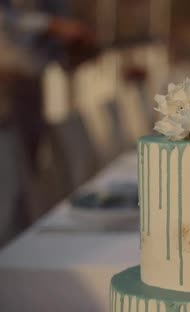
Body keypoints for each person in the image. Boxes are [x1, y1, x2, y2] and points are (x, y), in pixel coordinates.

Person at [0, 0, 94, 245]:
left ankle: (19, 251)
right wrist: (52, 25)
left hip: (30, 86)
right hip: (6, 86)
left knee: (26, 176)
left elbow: (53, 47)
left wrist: (71, 49)